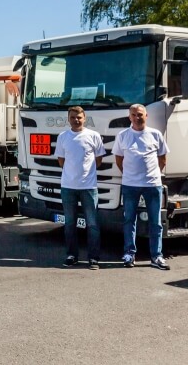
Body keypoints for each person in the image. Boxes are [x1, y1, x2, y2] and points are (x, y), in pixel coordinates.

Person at [112, 104, 171, 270]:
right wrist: (130, 175)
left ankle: (156, 256)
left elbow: (162, 159)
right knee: (129, 220)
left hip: (152, 185)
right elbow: (119, 159)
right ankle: (129, 254)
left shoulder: (155, 134)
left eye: (140, 114)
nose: (137, 118)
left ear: (146, 116)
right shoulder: (123, 136)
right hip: (130, 185)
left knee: (156, 222)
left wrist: (152, 175)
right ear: (129, 117)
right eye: (133, 115)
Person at [55, 106, 106, 270]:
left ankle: (93, 258)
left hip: (89, 187)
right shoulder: (63, 137)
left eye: (79, 117)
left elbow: (98, 160)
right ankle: (71, 255)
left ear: (85, 118)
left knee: (92, 224)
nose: (76, 120)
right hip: (68, 187)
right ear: (68, 119)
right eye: (72, 117)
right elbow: (61, 161)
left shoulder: (94, 136)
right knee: (70, 224)